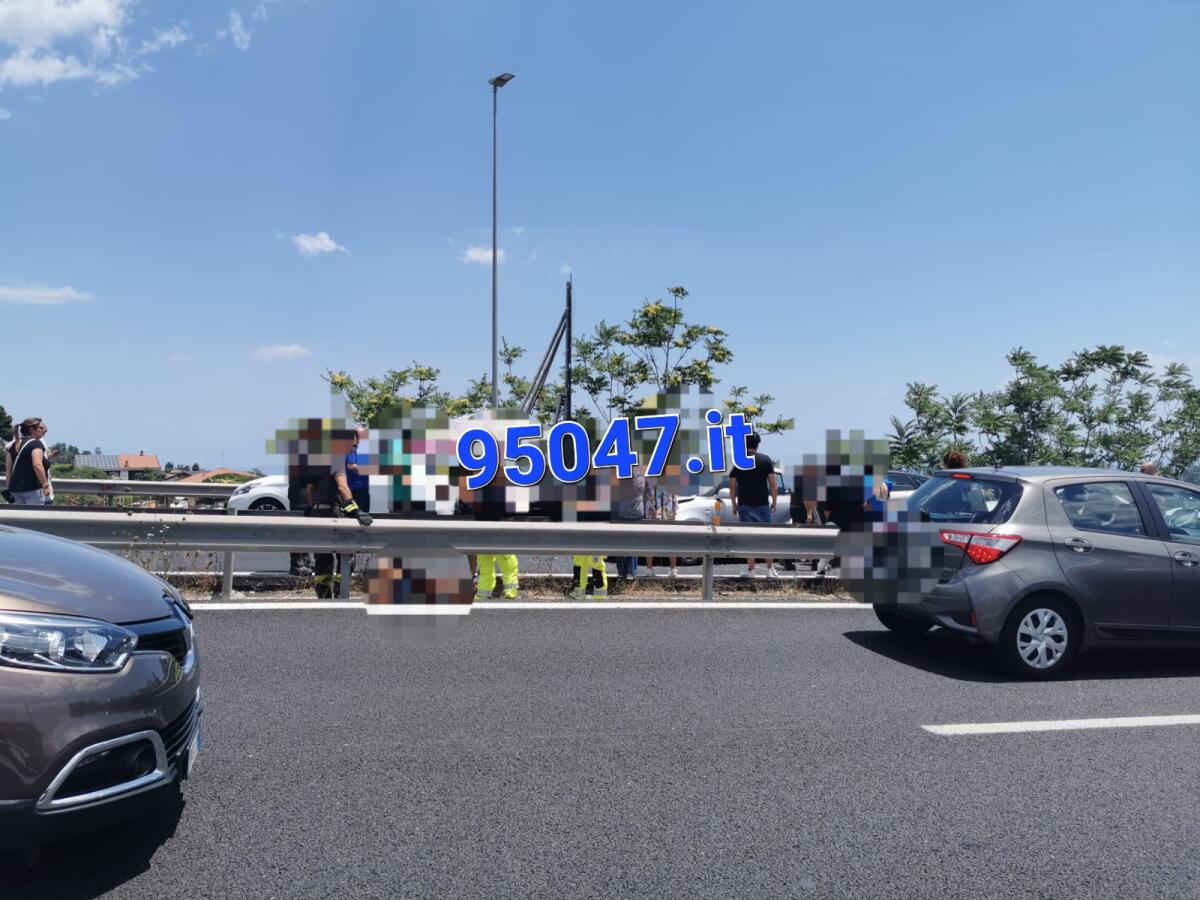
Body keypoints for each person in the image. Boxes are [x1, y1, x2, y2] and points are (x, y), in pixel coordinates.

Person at [306, 436, 373, 599]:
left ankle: (323, 594)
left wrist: (314, 508)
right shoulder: (337, 462)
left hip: (318, 513)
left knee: (322, 556)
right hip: (334, 514)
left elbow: (309, 490)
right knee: (346, 552)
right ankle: (340, 590)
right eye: (353, 442)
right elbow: (343, 487)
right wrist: (356, 510)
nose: (355, 446)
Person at [729, 432, 779, 578]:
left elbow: (732, 485)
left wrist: (733, 504)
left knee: (748, 538)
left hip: (744, 505)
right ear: (757, 445)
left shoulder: (740, 461)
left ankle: (752, 570)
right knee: (766, 538)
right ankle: (770, 570)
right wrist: (774, 502)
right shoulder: (766, 460)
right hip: (762, 504)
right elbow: (773, 484)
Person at [4, 418, 52, 505]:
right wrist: (45, 485)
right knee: (34, 517)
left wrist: (9, 488)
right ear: (32, 429)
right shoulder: (36, 444)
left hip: (15, 490)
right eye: (41, 428)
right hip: (33, 490)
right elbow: (37, 465)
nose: (43, 430)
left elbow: (8, 469)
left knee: (18, 518)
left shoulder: (14, 445)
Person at [345, 425, 371, 513]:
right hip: (355, 487)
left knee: (365, 511)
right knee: (358, 512)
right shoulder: (352, 448)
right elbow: (350, 465)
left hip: (364, 486)